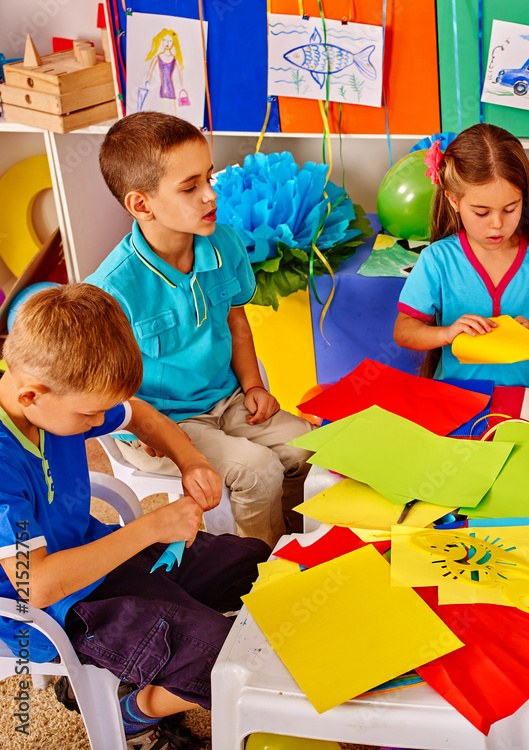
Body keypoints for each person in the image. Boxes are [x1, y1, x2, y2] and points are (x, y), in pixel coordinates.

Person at [0, 284, 270, 750]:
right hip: (49, 609)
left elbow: (140, 413)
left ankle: (140, 659)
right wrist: (151, 526)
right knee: (230, 661)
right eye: (91, 415)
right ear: (30, 396)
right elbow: (37, 586)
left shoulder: (58, 403)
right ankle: (133, 714)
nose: (101, 421)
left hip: (95, 553)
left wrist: (192, 461)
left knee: (260, 564)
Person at [88, 112, 314, 548]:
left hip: (226, 399)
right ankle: (257, 568)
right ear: (141, 204)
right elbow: (104, 386)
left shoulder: (223, 243)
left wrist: (253, 384)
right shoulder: (111, 290)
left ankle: (295, 542)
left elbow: (236, 321)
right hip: (164, 424)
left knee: (307, 444)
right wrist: (145, 428)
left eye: (209, 177)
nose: (210, 195)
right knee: (257, 469)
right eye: (190, 187)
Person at [393, 123, 529, 387]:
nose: (497, 224)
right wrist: (448, 333)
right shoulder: (438, 260)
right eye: (482, 212)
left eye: (510, 208)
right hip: (456, 396)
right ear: (453, 200)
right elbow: (404, 331)